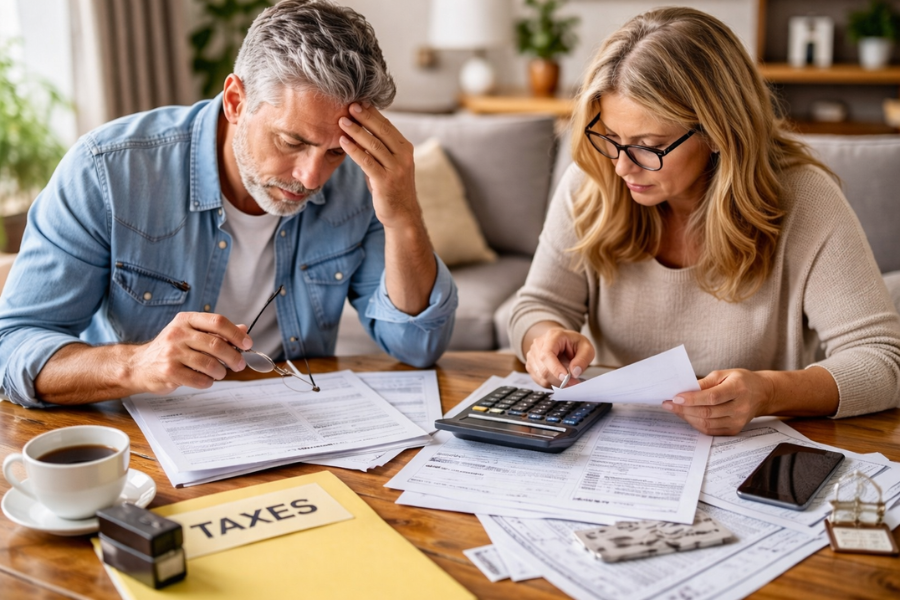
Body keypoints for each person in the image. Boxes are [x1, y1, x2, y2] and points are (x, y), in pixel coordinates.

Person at [0, 0, 457, 408]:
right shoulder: (108, 171)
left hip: (297, 425)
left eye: (335, 152)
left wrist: (403, 216)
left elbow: (417, 345)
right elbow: (12, 346)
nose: (312, 178)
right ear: (237, 101)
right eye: (291, 141)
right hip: (144, 434)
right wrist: (138, 364)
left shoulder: (361, 183)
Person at [510, 7, 900, 436]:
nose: (622, 168)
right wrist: (543, 338)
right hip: (620, 442)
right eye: (612, 138)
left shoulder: (805, 198)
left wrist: (769, 392)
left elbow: (881, 360)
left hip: (759, 450)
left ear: (717, 132)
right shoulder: (594, 183)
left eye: (648, 146)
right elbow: (536, 306)